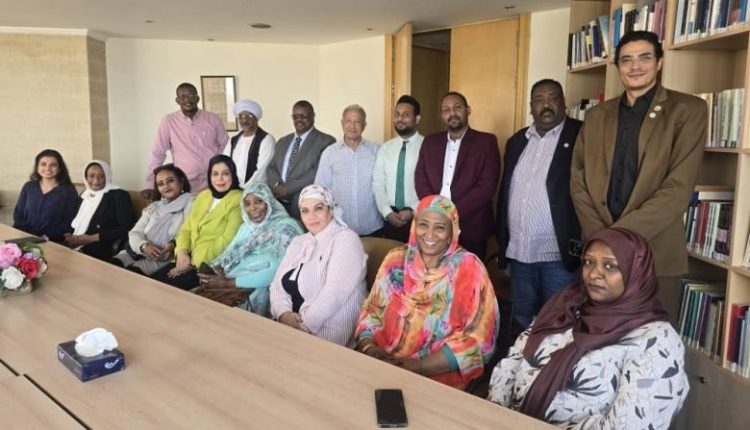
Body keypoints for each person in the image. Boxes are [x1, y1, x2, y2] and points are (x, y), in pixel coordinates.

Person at [488, 228, 688, 429]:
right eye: (588, 262)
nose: (593, 274)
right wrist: (495, 411)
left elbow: (629, 425)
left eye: (610, 266)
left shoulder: (658, 341)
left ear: (636, 273)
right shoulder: (567, 304)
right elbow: (514, 358)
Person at [571, 31, 707, 320]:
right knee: (598, 335)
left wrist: (613, 240)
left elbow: (677, 189)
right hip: (598, 255)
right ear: (618, 66)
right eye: (626, 60)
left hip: (655, 252)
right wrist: (601, 238)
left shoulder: (688, 110)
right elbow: (578, 181)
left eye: (644, 57)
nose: (635, 66)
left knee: (652, 339)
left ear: (659, 62)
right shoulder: (596, 116)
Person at [355, 195, 500, 390]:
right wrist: (369, 347)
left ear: (452, 231)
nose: (429, 234)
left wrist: (419, 366)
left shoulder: (469, 269)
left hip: (435, 377)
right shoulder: (396, 259)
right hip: (381, 362)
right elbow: (372, 311)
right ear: (415, 226)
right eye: (423, 225)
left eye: (440, 227)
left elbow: (480, 340)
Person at [495, 79, 583, 329]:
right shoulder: (517, 141)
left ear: (563, 103)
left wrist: (581, 249)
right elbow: (505, 192)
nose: (546, 105)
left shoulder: (580, 135)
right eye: (539, 100)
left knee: (558, 323)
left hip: (559, 255)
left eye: (553, 98)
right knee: (521, 321)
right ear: (531, 106)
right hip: (520, 253)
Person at [270, 184, 367, 347]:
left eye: (318, 208)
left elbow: (334, 293)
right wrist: (283, 314)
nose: (311, 216)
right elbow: (276, 285)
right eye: (305, 211)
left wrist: (302, 327)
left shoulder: (346, 239)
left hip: (325, 331)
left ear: (331, 209)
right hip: (290, 327)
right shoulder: (299, 241)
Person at [415, 92, 501, 260]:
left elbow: (486, 187)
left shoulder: (486, 142)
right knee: (436, 274)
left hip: (472, 226)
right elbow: (420, 179)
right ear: (442, 115)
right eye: (446, 110)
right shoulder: (430, 142)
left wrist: (450, 213)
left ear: (468, 110)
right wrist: (436, 212)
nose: (452, 113)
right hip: (434, 226)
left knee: (469, 275)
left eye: (457, 107)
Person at [198, 183, 303, 317]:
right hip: (228, 283)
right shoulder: (246, 227)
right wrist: (214, 271)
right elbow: (227, 253)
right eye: (247, 204)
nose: (252, 208)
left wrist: (228, 283)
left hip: (256, 292)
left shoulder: (285, 228)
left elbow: (276, 272)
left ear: (269, 202)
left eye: (258, 201)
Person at [150, 155, 243, 290]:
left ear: (233, 175)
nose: (220, 179)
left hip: (209, 264)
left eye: (225, 173)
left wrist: (193, 262)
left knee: (163, 290)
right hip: (186, 259)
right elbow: (185, 229)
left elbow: (228, 239)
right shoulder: (203, 196)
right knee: (150, 283)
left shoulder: (239, 199)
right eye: (215, 174)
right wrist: (182, 252)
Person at [143, 82, 228, 196]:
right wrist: (150, 184)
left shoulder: (213, 119)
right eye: (183, 97)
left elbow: (226, 147)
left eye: (191, 96)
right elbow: (158, 154)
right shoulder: (168, 122)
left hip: (215, 180)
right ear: (177, 100)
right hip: (186, 184)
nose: (187, 100)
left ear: (197, 98)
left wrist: (221, 170)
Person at [112, 164, 194, 275]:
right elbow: (135, 232)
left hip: (163, 258)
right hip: (135, 251)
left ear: (181, 181)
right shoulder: (154, 207)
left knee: (130, 275)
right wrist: (144, 246)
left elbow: (189, 231)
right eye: (161, 184)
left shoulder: (192, 203)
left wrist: (173, 245)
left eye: (170, 181)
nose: (166, 186)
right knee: (110, 267)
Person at [315, 104, 382, 236]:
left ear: (364, 125)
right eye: (348, 121)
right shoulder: (330, 153)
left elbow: (383, 185)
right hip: (339, 227)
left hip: (372, 226)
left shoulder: (377, 151)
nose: (352, 126)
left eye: (357, 122)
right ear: (342, 123)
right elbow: (321, 190)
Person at [266, 100, 336, 219]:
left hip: (304, 204)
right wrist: (276, 185)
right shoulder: (283, 141)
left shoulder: (326, 141)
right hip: (278, 203)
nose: (299, 120)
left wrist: (287, 189)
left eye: (304, 116)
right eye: (295, 116)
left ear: (313, 117)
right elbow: (271, 167)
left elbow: (317, 172)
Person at [372, 95, 424, 242]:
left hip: (419, 215)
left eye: (406, 115)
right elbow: (378, 184)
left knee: (416, 256)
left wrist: (413, 210)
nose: (400, 119)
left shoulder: (427, 146)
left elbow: (432, 186)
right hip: (390, 217)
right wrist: (387, 212)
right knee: (391, 255)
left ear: (417, 119)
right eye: (397, 114)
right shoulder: (385, 148)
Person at [65, 160, 135, 261]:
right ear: (86, 177)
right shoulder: (85, 195)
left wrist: (90, 238)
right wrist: (69, 234)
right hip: (76, 242)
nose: (96, 180)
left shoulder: (119, 195)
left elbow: (126, 227)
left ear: (107, 176)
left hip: (100, 245)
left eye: (101, 176)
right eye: (91, 176)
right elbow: (76, 220)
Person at [13, 149, 78, 242]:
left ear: (60, 168)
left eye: (53, 165)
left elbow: (70, 220)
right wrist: (23, 233)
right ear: (37, 167)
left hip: (53, 240)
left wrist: (47, 237)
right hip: (25, 237)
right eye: (43, 164)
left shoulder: (68, 190)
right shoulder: (29, 186)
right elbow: (18, 213)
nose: (48, 168)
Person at [223, 99, 276, 188]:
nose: (244, 120)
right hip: (232, 188)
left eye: (249, 116)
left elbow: (262, 171)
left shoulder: (266, 140)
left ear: (256, 118)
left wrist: (245, 189)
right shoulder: (233, 140)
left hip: (256, 189)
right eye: (241, 116)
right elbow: (224, 163)